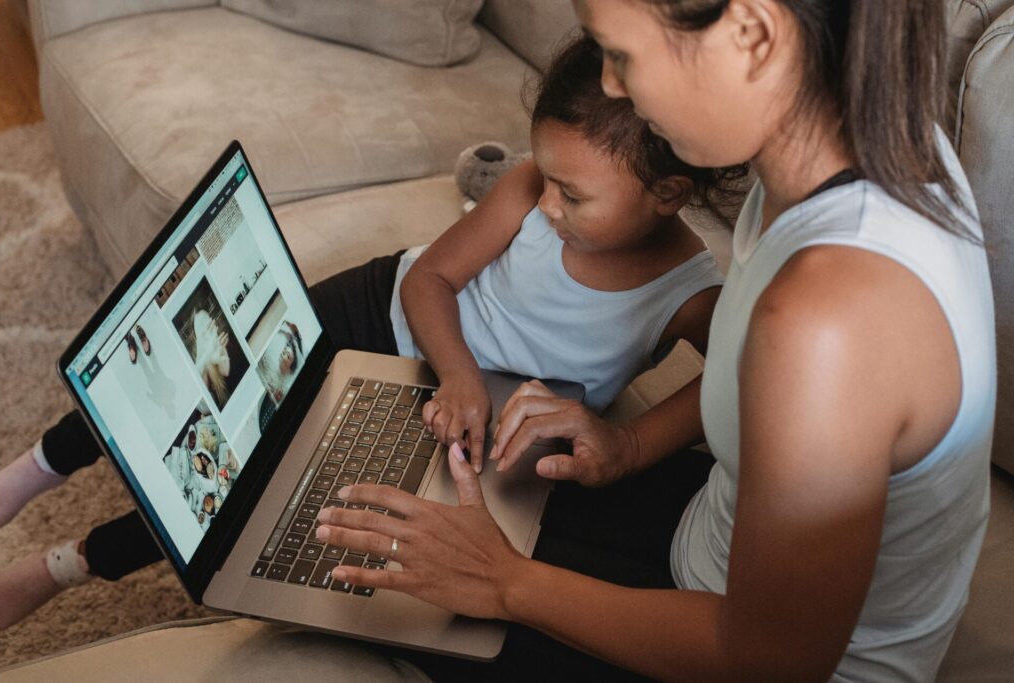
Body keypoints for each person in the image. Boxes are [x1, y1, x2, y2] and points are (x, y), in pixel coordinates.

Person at [312, 1, 996, 681]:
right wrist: (628, 446)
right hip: (711, 545)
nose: (612, 86)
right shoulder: (854, 147)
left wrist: (504, 583)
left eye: (623, 56)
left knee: (368, 592)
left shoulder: (830, 316)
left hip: (758, 655)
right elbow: (760, 398)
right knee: (406, 508)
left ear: (752, 35)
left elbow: (770, 662)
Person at [0, 35, 734, 631]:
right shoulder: (526, 190)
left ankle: (64, 565)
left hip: (453, 418)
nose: (547, 205)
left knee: (237, 493)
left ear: (669, 194)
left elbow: (741, 378)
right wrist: (460, 371)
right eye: (545, 181)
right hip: (388, 312)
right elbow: (427, 282)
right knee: (200, 366)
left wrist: (633, 444)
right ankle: (36, 469)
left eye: (572, 195)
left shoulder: (685, 291)